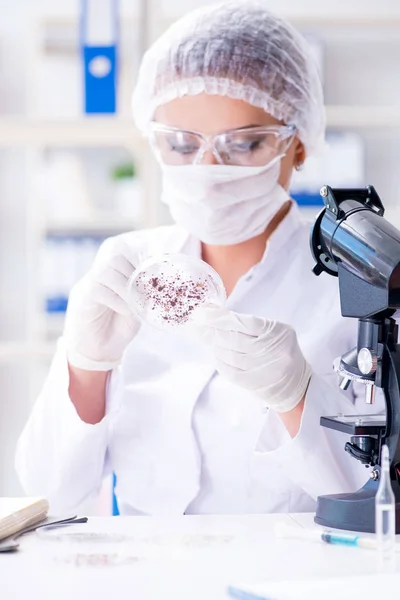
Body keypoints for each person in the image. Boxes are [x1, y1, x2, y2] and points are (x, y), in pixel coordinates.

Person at [16, 1, 377, 516]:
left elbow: (374, 505)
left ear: (298, 145)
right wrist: (86, 366)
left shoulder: (359, 287)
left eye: (244, 144)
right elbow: (48, 493)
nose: (208, 169)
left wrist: (299, 398)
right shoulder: (125, 266)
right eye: (181, 145)